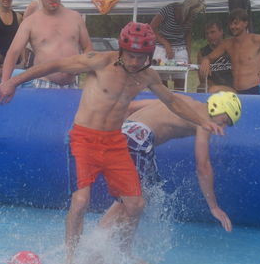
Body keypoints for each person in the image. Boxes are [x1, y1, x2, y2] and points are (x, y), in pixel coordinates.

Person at [0, 22, 225, 264]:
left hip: (114, 142)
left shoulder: (147, 76)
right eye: (131, 56)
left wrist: (202, 120)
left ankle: (123, 254)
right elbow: (54, 65)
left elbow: (172, 102)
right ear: (121, 50)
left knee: (136, 204)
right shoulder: (100, 61)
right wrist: (12, 82)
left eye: (141, 57)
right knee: (80, 201)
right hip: (84, 138)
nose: (135, 62)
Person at [99, 92, 241, 233]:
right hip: (138, 139)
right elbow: (202, 167)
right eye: (224, 120)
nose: (223, 127)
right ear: (216, 108)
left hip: (125, 132)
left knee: (147, 193)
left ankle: (108, 239)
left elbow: (131, 106)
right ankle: (105, 240)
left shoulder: (182, 100)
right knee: (133, 201)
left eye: (227, 125)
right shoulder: (204, 122)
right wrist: (214, 207)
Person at [1, 0, 92, 88]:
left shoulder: (75, 17)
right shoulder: (30, 22)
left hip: (71, 85)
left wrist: (83, 64)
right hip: (44, 84)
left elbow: (87, 46)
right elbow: (13, 53)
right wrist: (4, 83)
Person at [199, 8, 260, 95]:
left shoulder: (257, 39)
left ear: (245, 23)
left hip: (255, 88)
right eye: (231, 24)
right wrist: (206, 60)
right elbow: (208, 57)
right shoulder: (227, 44)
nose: (233, 27)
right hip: (237, 90)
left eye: (236, 23)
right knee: (212, 90)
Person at [149, 0, 205, 90]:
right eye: (192, 13)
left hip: (180, 49)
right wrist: (166, 44)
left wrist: (188, 55)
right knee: (161, 83)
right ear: (188, 8)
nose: (193, 15)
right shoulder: (168, 10)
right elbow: (151, 28)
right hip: (162, 48)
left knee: (180, 83)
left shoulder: (192, 16)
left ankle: (178, 99)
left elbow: (188, 35)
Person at [198, 20, 234, 92]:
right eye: (207, 33)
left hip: (231, 87)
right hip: (213, 87)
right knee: (201, 87)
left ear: (221, 32)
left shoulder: (231, 48)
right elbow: (202, 79)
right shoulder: (202, 53)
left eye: (213, 32)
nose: (209, 36)